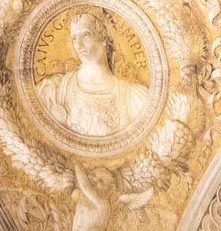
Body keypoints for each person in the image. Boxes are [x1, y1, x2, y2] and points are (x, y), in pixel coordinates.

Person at [34, 10, 150, 138]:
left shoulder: (133, 97)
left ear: (103, 38)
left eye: (85, 35)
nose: (78, 45)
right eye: (74, 38)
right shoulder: (53, 90)